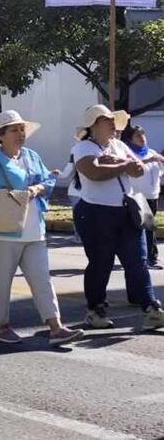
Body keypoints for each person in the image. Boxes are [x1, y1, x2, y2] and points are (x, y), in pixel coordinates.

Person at [0, 110, 84, 345]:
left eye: (21, 129)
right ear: (1, 135)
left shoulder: (30, 155)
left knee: (42, 280)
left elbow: (47, 179)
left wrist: (38, 188)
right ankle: (1, 326)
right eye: (14, 130)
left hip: (33, 229)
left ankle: (56, 327)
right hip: (1, 232)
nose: (20, 133)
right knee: (1, 283)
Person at [72, 105, 164, 329]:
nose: (113, 123)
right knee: (101, 263)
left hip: (127, 211)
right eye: (107, 120)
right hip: (96, 213)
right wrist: (123, 165)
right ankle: (96, 309)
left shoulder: (119, 145)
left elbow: (139, 168)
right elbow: (93, 172)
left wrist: (117, 163)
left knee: (138, 262)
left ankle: (151, 308)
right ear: (94, 125)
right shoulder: (83, 147)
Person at [127, 125, 164, 270]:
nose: (142, 138)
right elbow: (132, 168)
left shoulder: (151, 152)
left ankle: (146, 256)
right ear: (131, 140)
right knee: (147, 227)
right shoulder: (130, 154)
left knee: (148, 227)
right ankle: (150, 258)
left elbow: (160, 172)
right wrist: (148, 161)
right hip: (138, 195)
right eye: (137, 136)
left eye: (143, 135)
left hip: (153, 195)